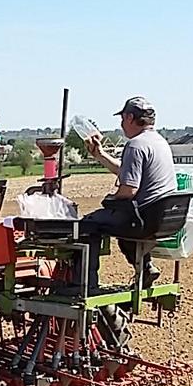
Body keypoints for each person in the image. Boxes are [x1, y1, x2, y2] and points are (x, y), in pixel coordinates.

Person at [75, 96, 177, 292]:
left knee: (86, 225)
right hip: (159, 216)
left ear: (130, 117)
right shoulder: (159, 142)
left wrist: (112, 200)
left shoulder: (135, 145)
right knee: (121, 226)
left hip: (141, 216)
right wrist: (99, 155)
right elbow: (126, 172)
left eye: (122, 119)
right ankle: (146, 267)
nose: (121, 124)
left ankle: (86, 286)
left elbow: (128, 190)